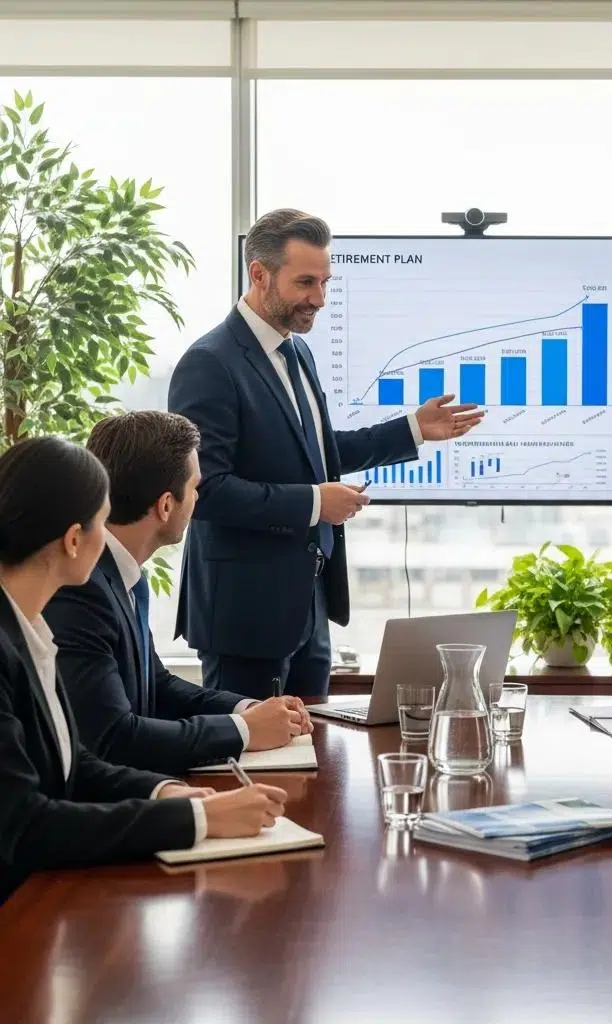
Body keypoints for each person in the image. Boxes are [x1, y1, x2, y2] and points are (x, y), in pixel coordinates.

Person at [169, 208, 484, 700]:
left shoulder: (296, 352)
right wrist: (316, 503)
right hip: (245, 621)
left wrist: (412, 430)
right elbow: (206, 491)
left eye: (325, 282)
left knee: (315, 761)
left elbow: (316, 449)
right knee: (254, 764)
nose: (319, 298)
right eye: (305, 282)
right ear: (259, 274)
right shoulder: (210, 363)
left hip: (308, 610)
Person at [0, 437, 287, 903]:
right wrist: (200, 821)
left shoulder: (29, 627)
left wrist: (170, 794)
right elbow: (26, 824)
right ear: (74, 540)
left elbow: (76, 763)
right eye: (100, 518)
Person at [44, 412, 312, 775]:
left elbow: (156, 685)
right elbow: (112, 738)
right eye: (195, 487)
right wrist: (246, 731)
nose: (198, 497)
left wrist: (247, 710)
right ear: (166, 505)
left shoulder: (121, 573)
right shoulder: (81, 588)